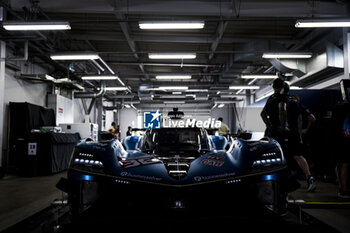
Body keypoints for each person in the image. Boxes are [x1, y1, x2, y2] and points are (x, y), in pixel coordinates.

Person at [282, 83, 316, 192]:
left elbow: (302, 119)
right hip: (295, 134)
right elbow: (311, 118)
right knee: (298, 156)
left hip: (288, 133)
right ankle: (309, 177)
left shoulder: (283, 102)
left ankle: (285, 181)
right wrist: (301, 132)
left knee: (287, 156)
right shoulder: (296, 104)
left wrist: (302, 131)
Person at [331, 80, 350, 198]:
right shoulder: (346, 107)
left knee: (341, 164)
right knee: (345, 163)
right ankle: (343, 189)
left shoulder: (339, 106)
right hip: (345, 140)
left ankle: (341, 188)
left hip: (338, 140)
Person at [260, 78, 288, 146]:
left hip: (270, 131)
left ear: (273, 87)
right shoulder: (281, 97)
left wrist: (269, 125)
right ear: (283, 86)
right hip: (279, 130)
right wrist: (283, 127)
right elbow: (282, 111)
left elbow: (263, 114)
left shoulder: (270, 98)